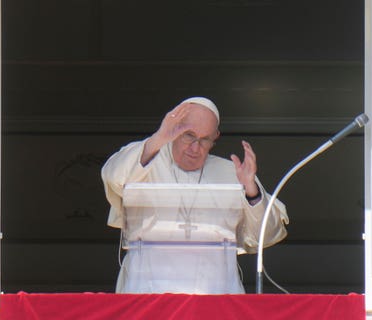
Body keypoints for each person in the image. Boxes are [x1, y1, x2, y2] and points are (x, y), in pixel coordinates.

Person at [101, 97, 289, 294]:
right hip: (147, 291)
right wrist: (159, 138)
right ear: (174, 130)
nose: (195, 148)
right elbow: (113, 177)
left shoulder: (233, 173)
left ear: (215, 137)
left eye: (205, 139)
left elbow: (268, 235)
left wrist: (251, 190)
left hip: (216, 294)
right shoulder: (146, 158)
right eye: (188, 135)